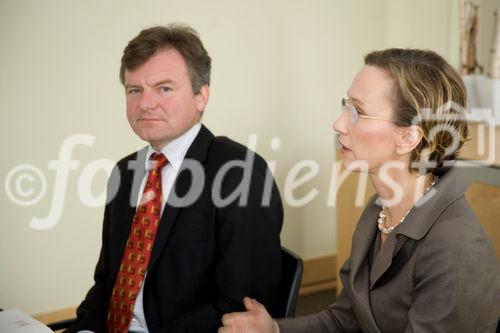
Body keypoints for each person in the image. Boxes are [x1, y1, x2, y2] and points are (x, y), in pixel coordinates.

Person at [219, 48, 500, 332]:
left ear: (408, 137)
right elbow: (347, 320)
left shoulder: (458, 250)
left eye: (357, 112)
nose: (338, 123)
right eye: (345, 105)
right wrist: (275, 330)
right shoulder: (379, 210)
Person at [67, 24, 283, 333]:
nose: (145, 103)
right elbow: (107, 284)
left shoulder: (239, 172)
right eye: (134, 90)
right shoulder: (125, 172)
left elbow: (239, 308)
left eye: (164, 88)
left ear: (201, 96)